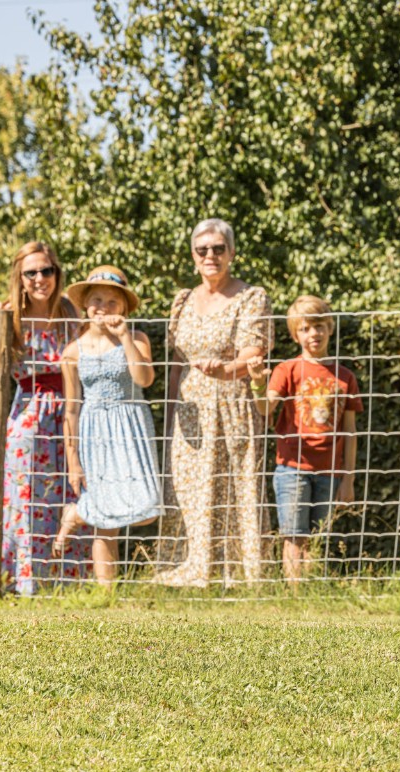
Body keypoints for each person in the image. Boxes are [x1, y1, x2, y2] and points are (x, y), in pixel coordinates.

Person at [155, 218, 273, 586]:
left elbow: (252, 356)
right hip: (190, 413)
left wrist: (224, 370)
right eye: (202, 249)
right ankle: (194, 569)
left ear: (232, 253)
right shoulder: (183, 301)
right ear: (193, 256)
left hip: (232, 406)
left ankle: (239, 573)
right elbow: (176, 364)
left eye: (218, 248)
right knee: (190, 489)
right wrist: (172, 411)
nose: (211, 255)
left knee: (237, 485)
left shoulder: (252, 297)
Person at [0, 240, 89, 594]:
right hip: (28, 416)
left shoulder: (70, 313)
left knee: (70, 492)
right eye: (31, 272)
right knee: (26, 498)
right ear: (19, 277)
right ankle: (25, 582)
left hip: (70, 412)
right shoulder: (9, 315)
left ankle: (68, 583)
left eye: (46, 270)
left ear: (57, 273)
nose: (40, 278)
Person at [52, 266, 161, 586]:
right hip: (94, 430)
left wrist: (125, 336)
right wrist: (73, 460)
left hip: (131, 426)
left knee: (147, 505)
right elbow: (71, 410)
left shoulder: (137, 339)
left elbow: (145, 379)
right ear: (85, 305)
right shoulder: (73, 351)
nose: (103, 307)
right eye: (96, 300)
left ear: (124, 308)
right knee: (105, 521)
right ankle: (106, 591)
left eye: (112, 302)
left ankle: (77, 513)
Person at [247, 295, 362, 581]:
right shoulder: (287, 370)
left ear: (331, 327)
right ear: (295, 333)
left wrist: (348, 478)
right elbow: (266, 408)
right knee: (294, 535)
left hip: (330, 471)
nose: (314, 334)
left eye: (320, 326)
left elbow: (350, 431)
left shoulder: (345, 376)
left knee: (317, 537)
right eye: (306, 328)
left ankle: (310, 594)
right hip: (292, 469)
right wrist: (258, 383)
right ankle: (295, 595)